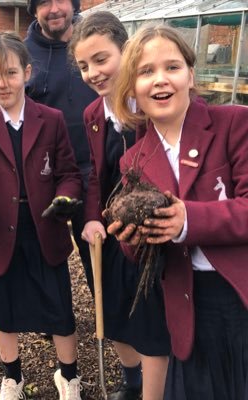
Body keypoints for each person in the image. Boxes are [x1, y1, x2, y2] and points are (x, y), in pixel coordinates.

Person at [110, 23, 248, 400]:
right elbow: (146, 253)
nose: (160, 80)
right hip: (186, 301)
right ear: (132, 89)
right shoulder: (133, 160)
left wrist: (189, 220)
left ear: (190, 74)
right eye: (145, 71)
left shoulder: (233, 124)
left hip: (238, 297)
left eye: (171, 67)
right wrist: (131, 240)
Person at [0, 32, 83, 400]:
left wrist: (66, 198)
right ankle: (13, 379)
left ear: (27, 72)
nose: (1, 84)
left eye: (9, 73)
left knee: (60, 310)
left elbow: (68, 172)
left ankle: (68, 377)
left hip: (45, 228)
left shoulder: (50, 119)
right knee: (4, 313)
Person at [68, 12, 170, 400]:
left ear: (126, 52)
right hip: (112, 235)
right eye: (83, 65)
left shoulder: (150, 105)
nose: (92, 72)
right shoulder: (93, 115)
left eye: (100, 59)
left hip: (153, 234)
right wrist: (92, 218)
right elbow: (95, 174)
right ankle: (132, 383)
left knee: (151, 322)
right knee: (112, 314)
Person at [24, 0, 98, 293]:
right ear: (33, 9)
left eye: (61, 0)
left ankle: (109, 316)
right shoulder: (24, 53)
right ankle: (52, 318)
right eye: (43, 2)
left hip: (98, 169)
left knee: (98, 248)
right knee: (46, 251)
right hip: (47, 175)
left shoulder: (92, 41)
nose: (53, 9)